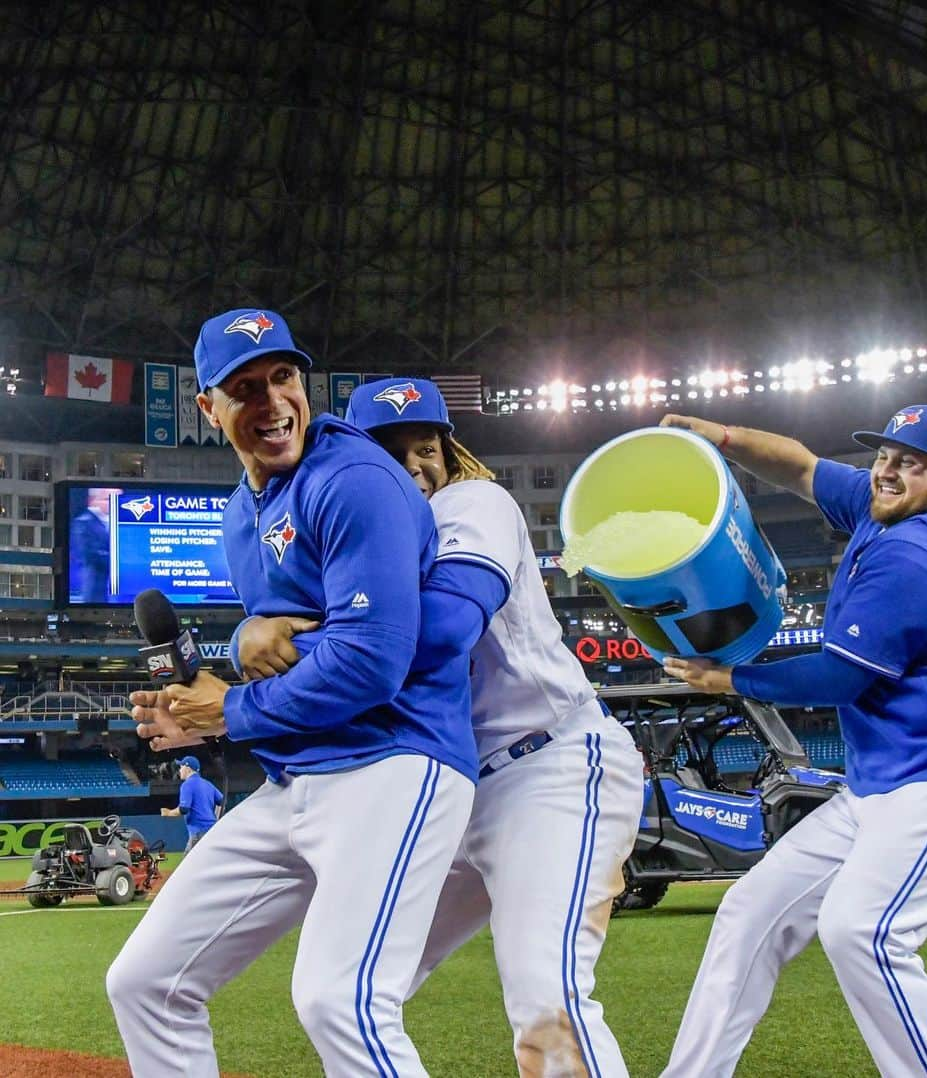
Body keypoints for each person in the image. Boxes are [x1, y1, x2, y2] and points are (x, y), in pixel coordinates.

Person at [235, 377, 644, 1076]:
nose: (414, 466)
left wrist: (290, 642)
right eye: (392, 452)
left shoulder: (472, 502)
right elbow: (290, 606)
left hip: (549, 770)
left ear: (450, 453)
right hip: (451, 789)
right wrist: (251, 626)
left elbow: (443, 630)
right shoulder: (366, 527)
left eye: (426, 447)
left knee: (548, 992)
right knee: (351, 988)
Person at [106, 310, 479, 1078]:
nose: (272, 401)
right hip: (295, 780)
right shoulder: (241, 517)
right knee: (144, 981)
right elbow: (286, 659)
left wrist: (231, 709)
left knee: (338, 998)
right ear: (208, 409)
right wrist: (205, 704)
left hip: (393, 764)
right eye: (245, 388)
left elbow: (371, 661)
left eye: (283, 377)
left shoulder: (353, 478)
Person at [657, 404, 927, 1078]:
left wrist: (730, 679)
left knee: (863, 930)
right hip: (883, 784)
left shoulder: (919, 555)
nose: (886, 471)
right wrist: (723, 436)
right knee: (750, 912)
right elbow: (800, 466)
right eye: (884, 455)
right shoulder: (890, 502)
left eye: (908, 462)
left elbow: (840, 677)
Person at [159, 755, 223, 851]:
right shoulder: (208, 784)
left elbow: (184, 809)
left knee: (186, 865)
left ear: (188, 769)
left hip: (198, 833)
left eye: (181, 767)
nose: (180, 770)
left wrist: (168, 813)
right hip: (212, 831)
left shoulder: (187, 785)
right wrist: (216, 818)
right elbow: (222, 801)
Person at [69, 487, 115, 602]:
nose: (113, 503)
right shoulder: (83, 523)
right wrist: (116, 559)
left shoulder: (113, 522)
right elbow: (87, 556)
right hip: (95, 589)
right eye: (108, 499)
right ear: (94, 500)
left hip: (111, 591)